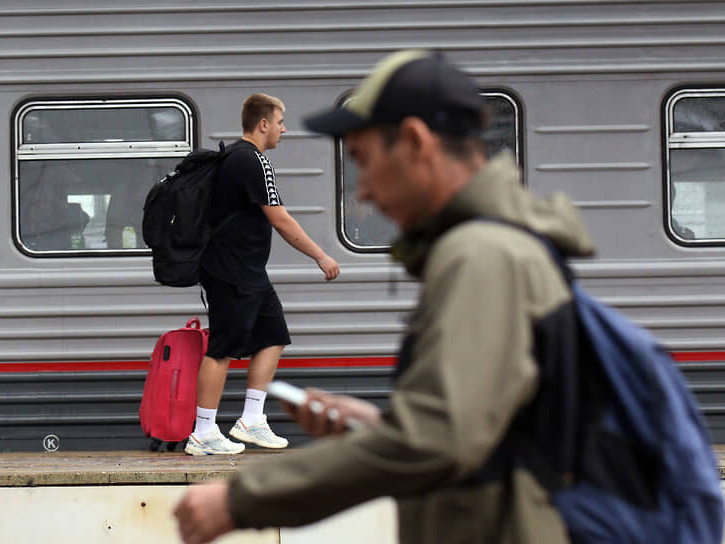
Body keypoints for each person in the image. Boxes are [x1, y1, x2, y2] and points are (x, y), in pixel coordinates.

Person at [175, 50, 597, 542]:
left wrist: (245, 498)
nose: (364, 193)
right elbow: (473, 424)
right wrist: (377, 426)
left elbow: (433, 444)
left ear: (415, 142)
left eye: (363, 161)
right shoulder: (486, 246)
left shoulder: (479, 257)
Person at [185, 93, 341, 456]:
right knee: (221, 349)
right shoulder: (251, 160)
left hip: (247, 271)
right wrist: (320, 256)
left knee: (273, 336)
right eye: (281, 122)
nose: (284, 130)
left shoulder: (242, 158)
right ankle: (202, 433)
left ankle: (251, 420)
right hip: (231, 271)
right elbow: (280, 218)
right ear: (263, 124)